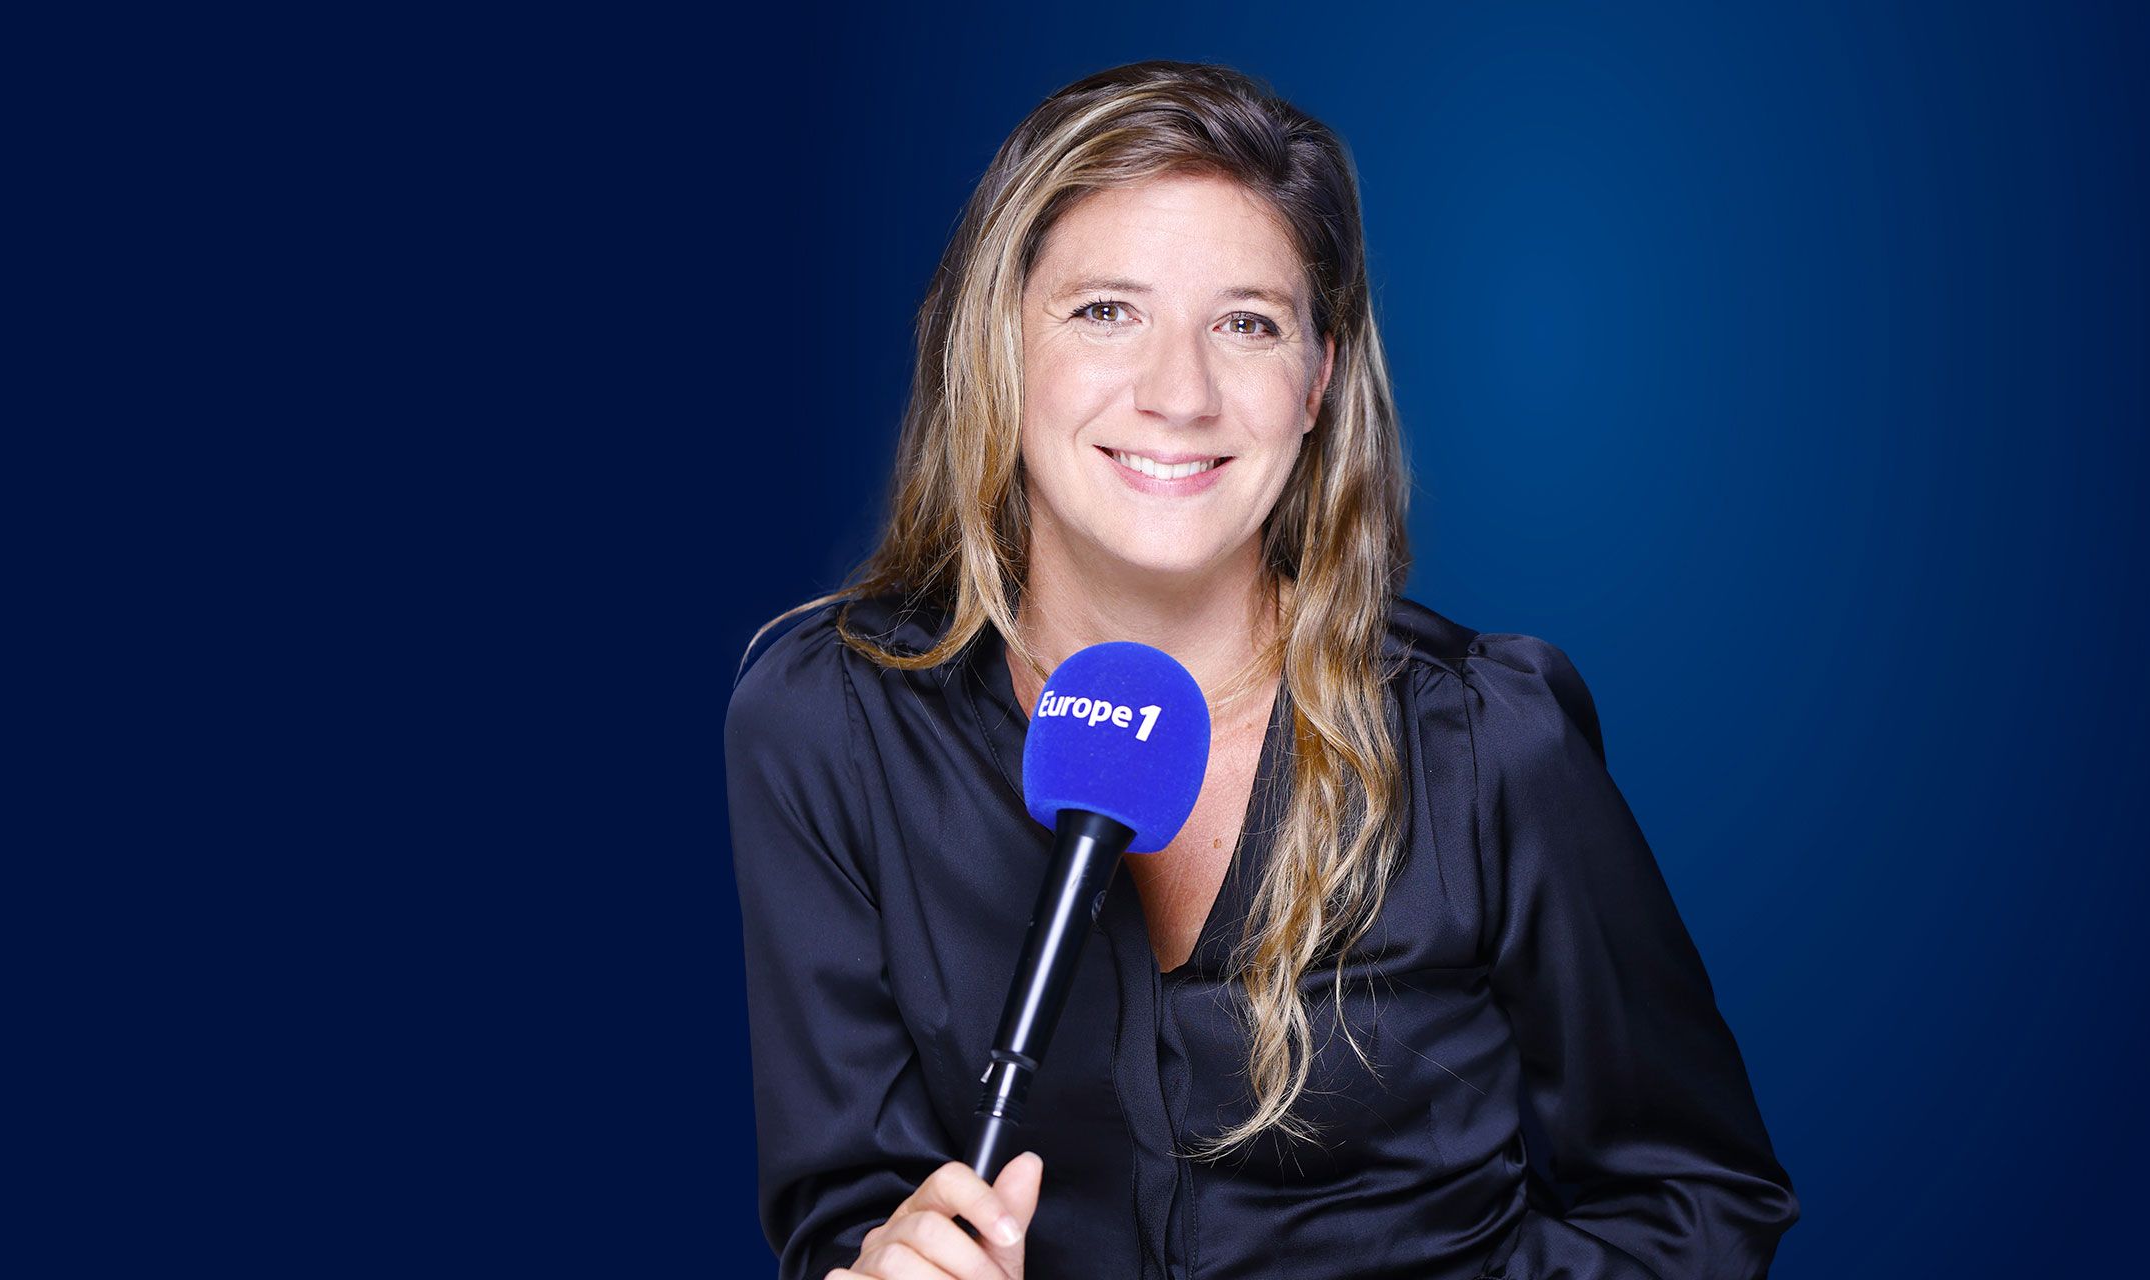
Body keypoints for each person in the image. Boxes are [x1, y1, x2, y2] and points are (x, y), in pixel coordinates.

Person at [725, 60, 1799, 1280]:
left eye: (1247, 323)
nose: (1178, 393)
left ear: (1317, 380)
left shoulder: (1484, 741)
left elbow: (1698, 1198)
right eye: (1105, 311)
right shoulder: (828, 722)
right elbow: (842, 1210)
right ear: (999, 343)